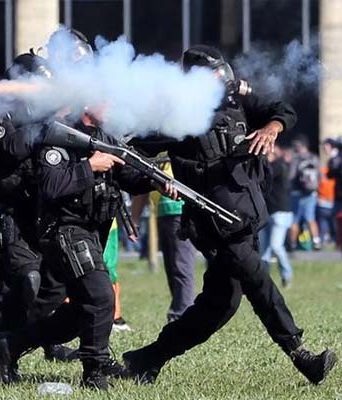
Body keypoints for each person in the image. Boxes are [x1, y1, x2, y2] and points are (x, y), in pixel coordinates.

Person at [119, 45, 337, 386]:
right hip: (213, 223)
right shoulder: (174, 116)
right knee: (259, 282)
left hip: (247, 217)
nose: (223, 82)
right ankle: (301, 355)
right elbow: (128, 160)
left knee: (219, 306)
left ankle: (146, 359)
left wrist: (272, 128)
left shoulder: (237, 101)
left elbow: (282, 110)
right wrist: (158, 180)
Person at [0, 110, 170, 390]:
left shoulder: (106, 137)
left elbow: (129, 177)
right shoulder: (58, 137)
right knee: (101, 297)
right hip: (64, 230)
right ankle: (94, 371)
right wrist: (90, 166)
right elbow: (51, 186)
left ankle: (10, 345)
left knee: (79, 314)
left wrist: (156, 180)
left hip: (91, 232)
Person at [0, 53, 74, 369]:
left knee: (28, 283)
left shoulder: (45, 119)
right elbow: (11, 148)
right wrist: (46, 121)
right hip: (8, 215)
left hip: (41, 212)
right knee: (27, 279)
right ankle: (2, 343)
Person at [131, 157, 197, 322]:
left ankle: (182, 315)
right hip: (163, 212)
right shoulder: (157, 150)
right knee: (172, 266)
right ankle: (180, 313)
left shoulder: (182, 147)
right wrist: (134, 220)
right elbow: (143, 187)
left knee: (181, 265)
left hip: (181, 211)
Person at [260, 145, 294, 288]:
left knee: (276, 246)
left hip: (280, 213)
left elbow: (268, 175)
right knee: (263, 251)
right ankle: (264, 281)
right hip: (267, 212)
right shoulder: (268, 166)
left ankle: (287, 275)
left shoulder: (279, 165)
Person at [289, 135, 321, 250]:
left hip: (296, 193)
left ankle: (292, 243)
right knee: (311, 218)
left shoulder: (296, 159)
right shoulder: (314, 157)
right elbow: (320, 176)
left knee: (294, 219)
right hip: (311, 193)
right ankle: (316, 241)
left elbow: (291, 176)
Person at [317, 138, 338, 246]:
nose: (324, 149)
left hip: (333, 196)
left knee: (334, 220)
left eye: (326, 146)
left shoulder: (335, 159)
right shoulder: (329, 160)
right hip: (327, 196)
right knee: (327, 220)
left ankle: (334, 239)